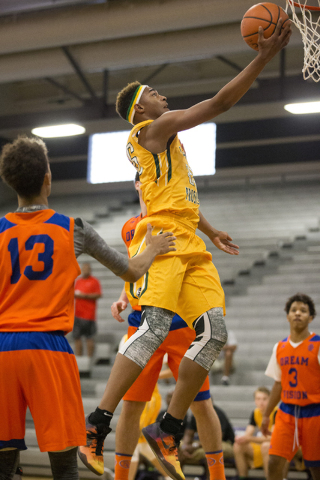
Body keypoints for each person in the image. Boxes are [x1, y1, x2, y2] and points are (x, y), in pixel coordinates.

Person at [79, 20, 292, 480]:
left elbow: (175, 197)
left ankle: (169, 428)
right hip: (163, 239)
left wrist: (211, 230)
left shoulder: (164, 142)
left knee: (214, 332)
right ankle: (95, 426)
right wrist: (262, 58)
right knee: (153, 327)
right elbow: (219, 102)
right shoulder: (153, 130)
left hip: (189, 238)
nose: (162, 95)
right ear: (140, 110)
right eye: (153, 92)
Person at [0, 136, 175, 480]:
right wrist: (152, 247)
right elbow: (132, 270)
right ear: (48, 178)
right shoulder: (72, 228)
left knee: (4, 461)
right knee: (64, 465)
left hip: (3, 348)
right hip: (47, 348)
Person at [110, 175, 229, 480]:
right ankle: (121, 476)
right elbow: (138, 267)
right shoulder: (129, 227)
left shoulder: (180, 222)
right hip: (142, 322)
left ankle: (218, 477)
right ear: (139, 184)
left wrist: (212, 231)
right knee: (132, 406)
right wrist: (123, 296)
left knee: (202, 405)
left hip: (180, 323)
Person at [261, 293, 320, 480]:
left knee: (316, 469)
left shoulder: (317, 344)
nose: (298, 313)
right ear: (287, 316)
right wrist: (266, 415)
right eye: (294, 310)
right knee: (274, 463)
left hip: (314, 412)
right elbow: (278, 383)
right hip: (287, 413)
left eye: (303, 311)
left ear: (311, 318)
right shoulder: (279, 347)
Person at [180, 397, 235, 475]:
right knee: (178, 449)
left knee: (210, 453)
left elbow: (216, 439)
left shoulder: (218, 414)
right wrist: (185, 447)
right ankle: (175, 477)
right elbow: (188, 434)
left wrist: (194, 446)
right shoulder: (195, 413)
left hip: (224, 443)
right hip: (203, 443)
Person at [233, 387, 277, 480]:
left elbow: (272, 438)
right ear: (255, 401)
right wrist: (242, 438)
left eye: (264, 399)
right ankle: (242, 477)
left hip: (276, 447)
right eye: (258, 399)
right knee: (238, 445)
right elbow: (248, 434)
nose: (261, 402)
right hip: (262, 444)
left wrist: (248, 438)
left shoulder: (276, 412)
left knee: (266, 446)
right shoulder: (255, 412)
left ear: (270, 400)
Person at [73, 262, 102, 357]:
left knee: (89, 337)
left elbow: (98, 294)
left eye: (87, 268)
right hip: (78, 314)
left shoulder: (94, 281)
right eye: (84, 268)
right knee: (77, 337)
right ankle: (79, 359)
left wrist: (84, 295)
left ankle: (89, 359)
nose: (85, 270)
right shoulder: (78, 281)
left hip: (89, 315)